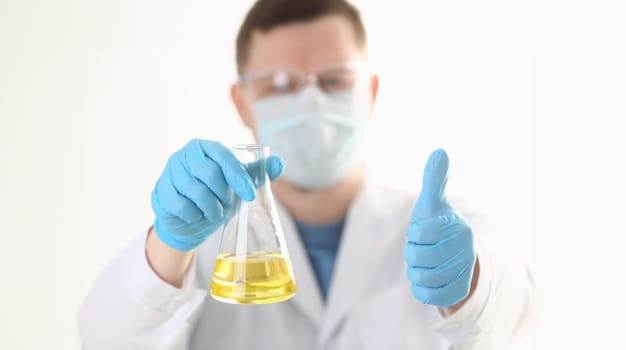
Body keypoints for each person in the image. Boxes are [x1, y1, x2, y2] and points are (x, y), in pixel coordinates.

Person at [78, 0, 538, 349]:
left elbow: (520, 317)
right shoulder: (194, 253)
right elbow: (105, 336)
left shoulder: (441, 232)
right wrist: (169, 242)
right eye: (280, 84)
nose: (311, 102)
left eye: (335, 80)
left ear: (370, 92)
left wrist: (470, 284)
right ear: (242, 102)